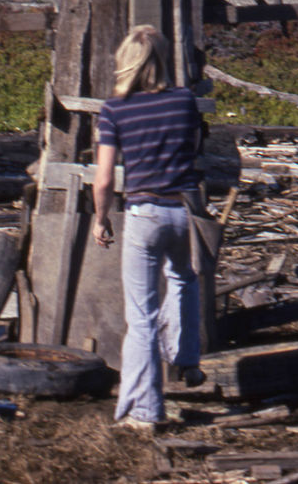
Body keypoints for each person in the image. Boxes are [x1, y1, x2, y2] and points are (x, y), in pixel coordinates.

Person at [91, 25, 206, 428]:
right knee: (183, 280)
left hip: (143, 214)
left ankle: (144, 412)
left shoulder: (114, 109)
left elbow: (104, 178)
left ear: (126, 62)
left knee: (141, 317)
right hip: (183, 211)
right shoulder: (184, 100)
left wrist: (100, 217)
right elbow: (192, 150)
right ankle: (186, 357)